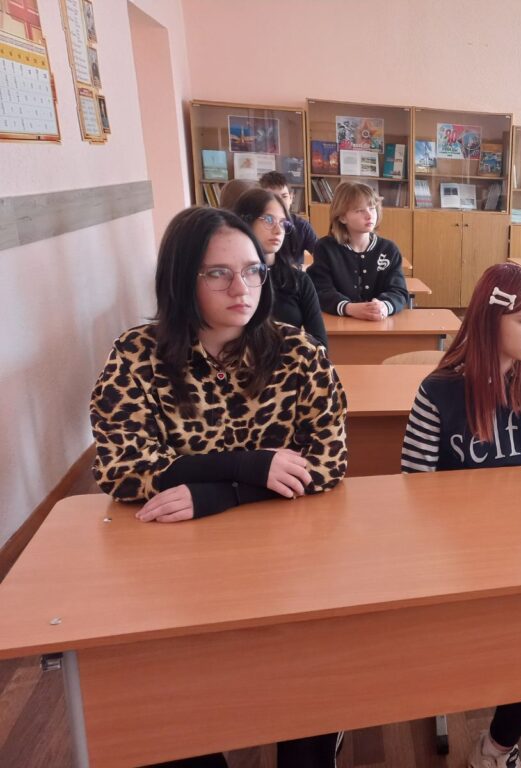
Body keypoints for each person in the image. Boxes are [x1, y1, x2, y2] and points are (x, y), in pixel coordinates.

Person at [90, 205, 347, 767]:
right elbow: (122, 466)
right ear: (182, 278)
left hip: (285, 565)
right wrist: (253, 466)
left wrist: (222, 493)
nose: (242, 287)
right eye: (218, 273)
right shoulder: (137, 356)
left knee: (310, 698)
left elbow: (328, 460)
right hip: (176, 574)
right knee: (168, 723)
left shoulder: (299, 353)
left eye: (253, 270)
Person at [400, 264, 521, 768]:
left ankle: (508, 751)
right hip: (463, 559)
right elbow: (413, 493)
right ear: (491, 322)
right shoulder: (439, 392)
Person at [232, 188, 328, 347]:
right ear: (246, 221)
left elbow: (320, 345)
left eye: (283, 223)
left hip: (289, 361)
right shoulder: (232, 279)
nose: (278, 231)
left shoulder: (299, 280)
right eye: (269, 220)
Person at [308, 182, 409, 320]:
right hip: (339, 322)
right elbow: (321, 290)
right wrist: (349, 308)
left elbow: (399, 291)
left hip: (380, 322)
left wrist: (384, 306)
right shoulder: (325, 248)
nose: (369, 215)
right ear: (342, 217)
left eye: (372, 208)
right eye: (360, 210)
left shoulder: (389, 249)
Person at [259, 170, 318, 259]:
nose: (280, 202)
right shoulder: (257, 226)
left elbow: (321, 256)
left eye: (284, 196)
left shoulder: (301, 226)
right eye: (272, 197)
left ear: (291, 198)